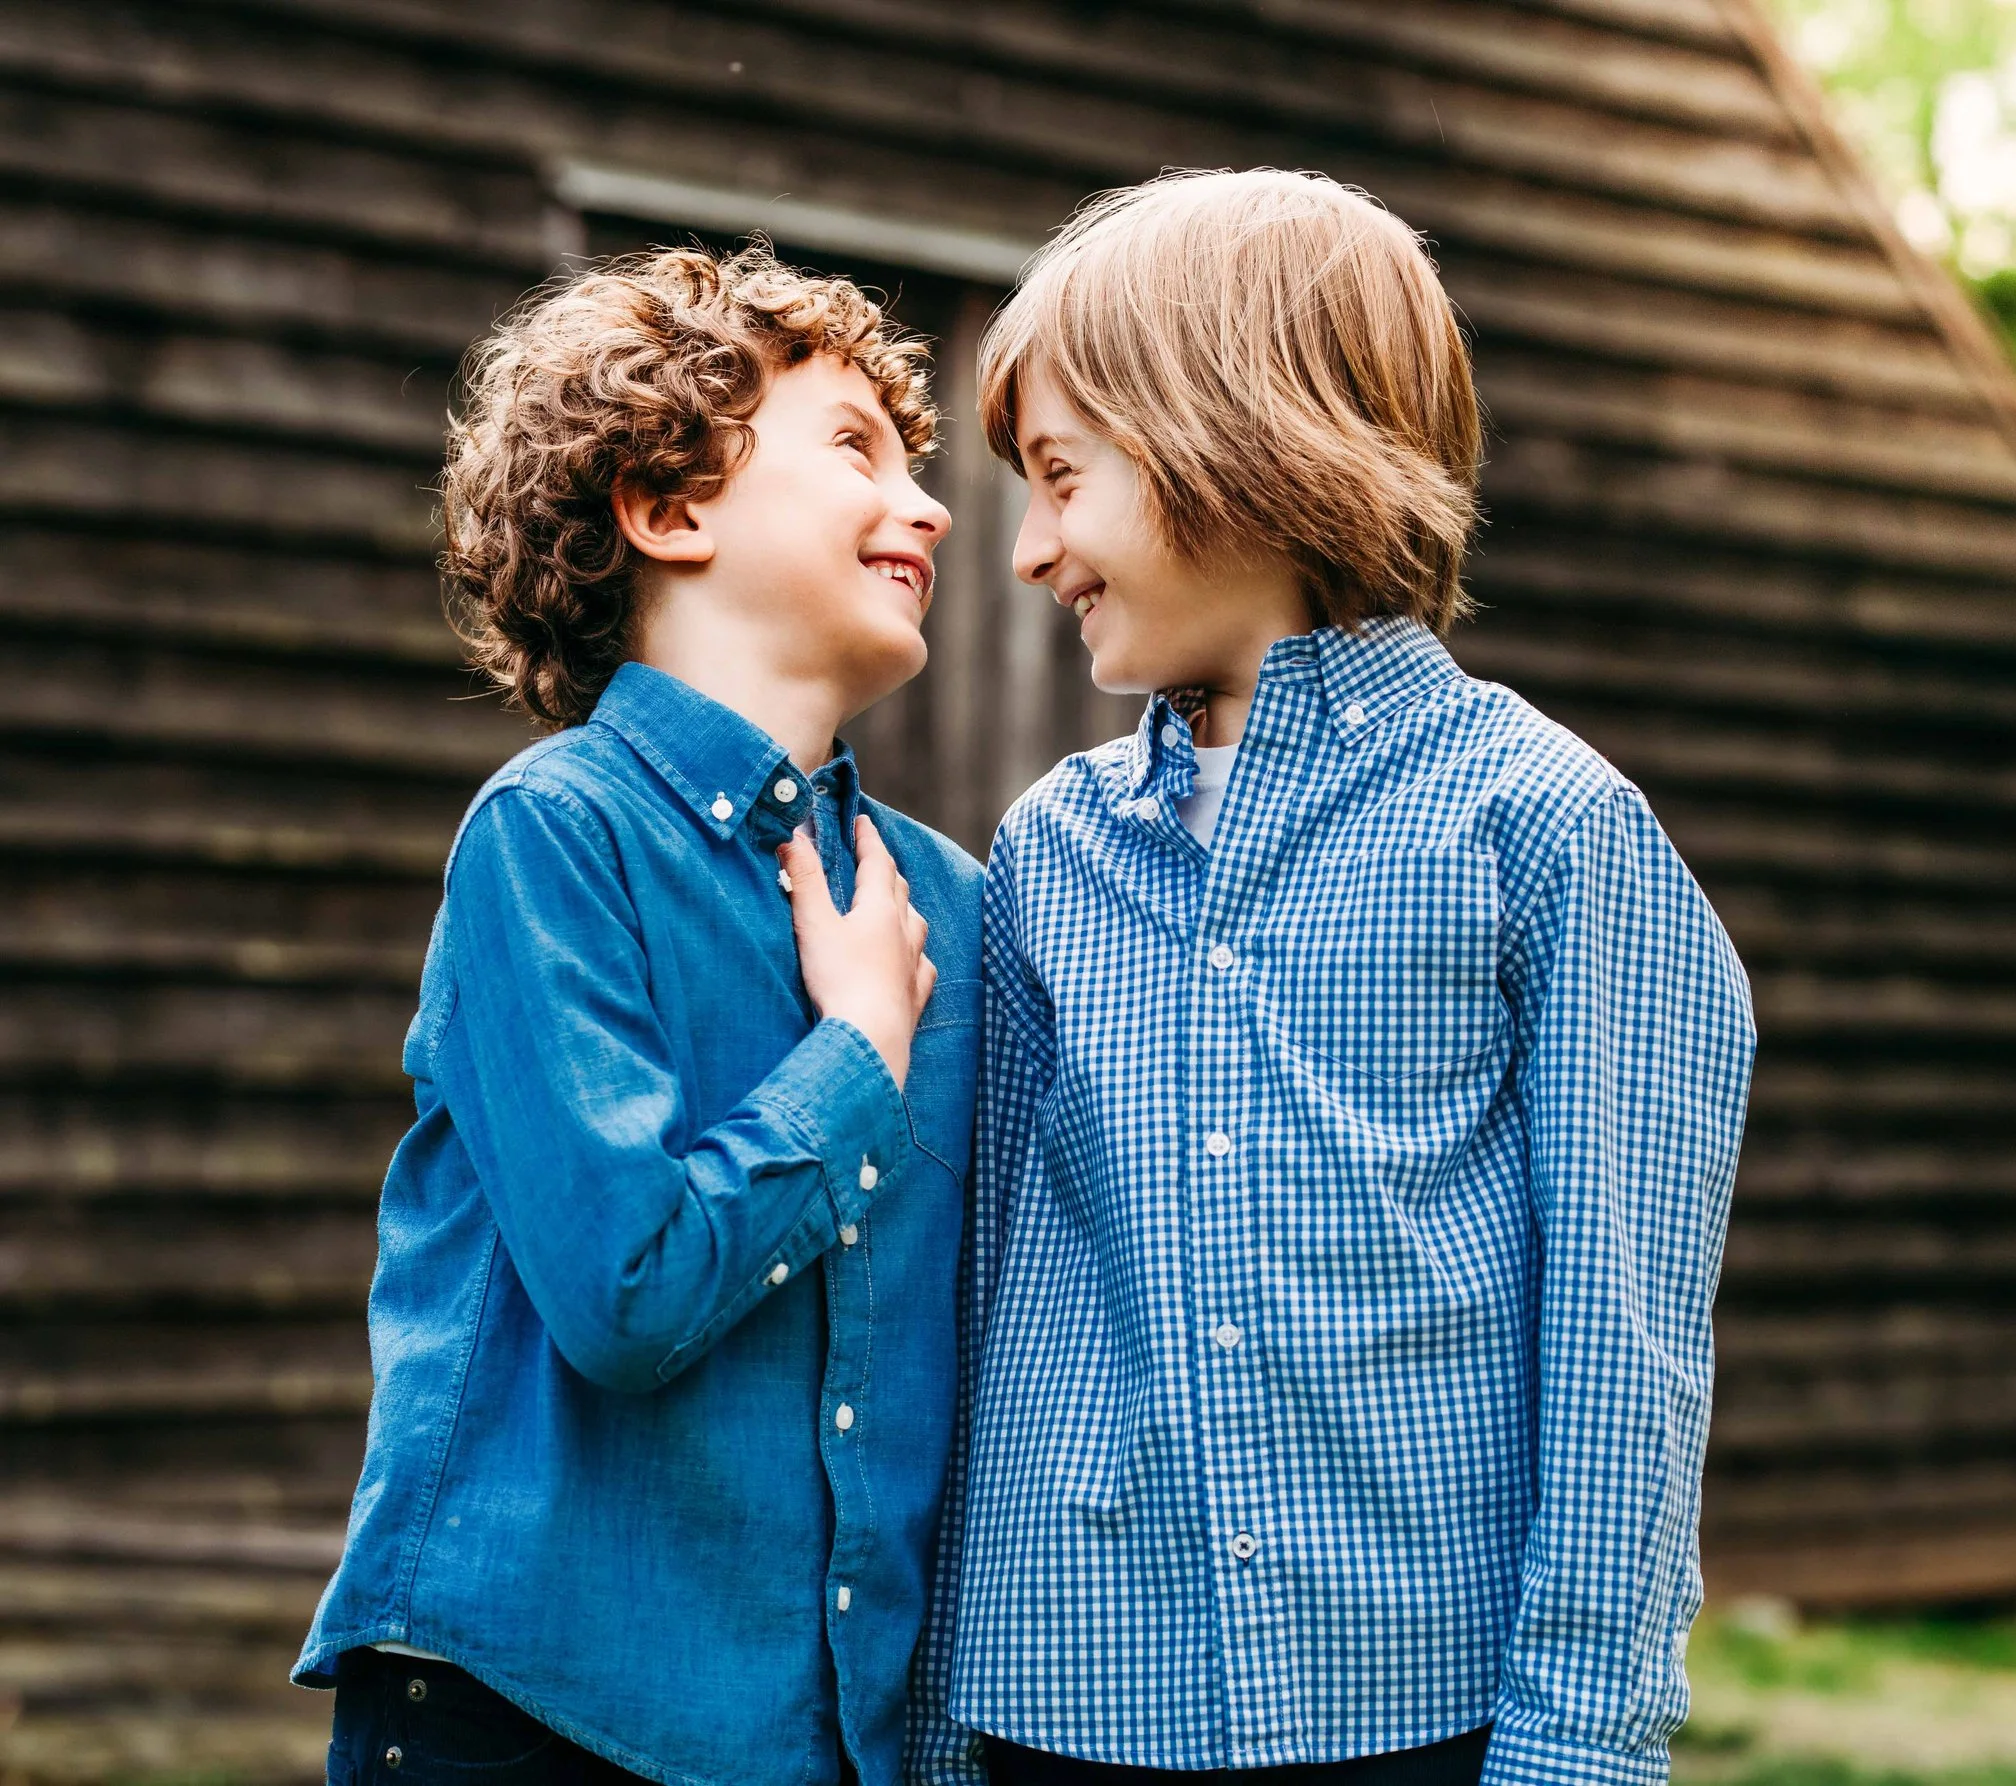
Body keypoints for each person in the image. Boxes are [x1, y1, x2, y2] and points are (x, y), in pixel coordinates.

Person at [912, 170, 1757, 1786]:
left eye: (1061, 479)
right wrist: (948, 1728)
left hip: (1406, 1715)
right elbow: (999, 1312)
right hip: (1060, 1707)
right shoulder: (1048, 854)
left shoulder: (1552, 832)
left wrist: (1577, 1744)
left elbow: (1623, 1351)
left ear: (1235, 436)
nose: (1029, 552)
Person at [294, 245, 980, 1786]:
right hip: (532, 1714)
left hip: (825, 1738)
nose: (931, 508)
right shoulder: (555, 836)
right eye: (856, 449)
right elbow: (626, 1288)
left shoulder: (955, 906)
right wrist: (860, 1056)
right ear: (671, 511)